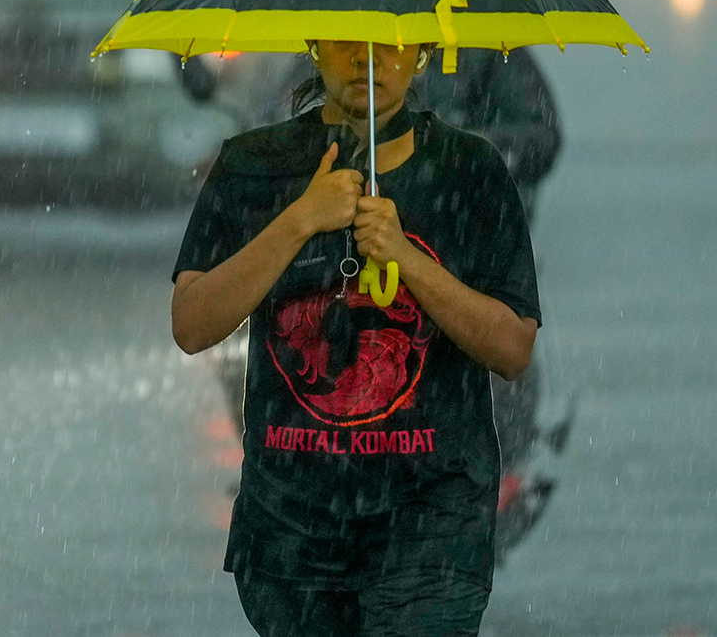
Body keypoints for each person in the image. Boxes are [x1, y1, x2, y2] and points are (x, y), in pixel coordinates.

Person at [172, 39, 541, 636]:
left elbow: (512, 347)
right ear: (313, 46)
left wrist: (405, 258)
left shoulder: (469, 169)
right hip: (290, 534)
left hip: (432, 528)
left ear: (422, 54)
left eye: (391, 44)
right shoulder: (252, 164)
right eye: (345, 39)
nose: (367, 60)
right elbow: (192, 324)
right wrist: (301, 219)